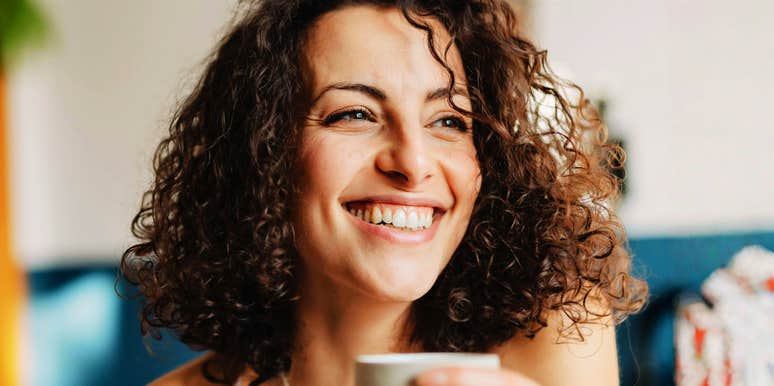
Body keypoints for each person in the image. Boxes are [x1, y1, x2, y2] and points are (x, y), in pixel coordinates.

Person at [120, 1, 648, 385]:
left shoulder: (549, 341)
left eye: (447, 120)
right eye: (355, 114)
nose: (414, 162)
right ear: (263, 156)